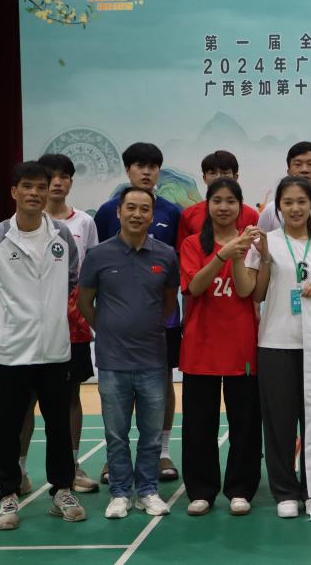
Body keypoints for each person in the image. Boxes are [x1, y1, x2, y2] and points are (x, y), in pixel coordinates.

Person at [0, 161, 86, 530]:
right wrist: (2, 315)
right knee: (8, 427)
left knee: (58, 427)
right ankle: (8, 494)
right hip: (12, 353)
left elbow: (71, 282)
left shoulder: (61, 236)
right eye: (27, 187)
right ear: (14, 192)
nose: (35, 193)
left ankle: (62, 491)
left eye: (41, 187)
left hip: (55, 351)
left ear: (48, 192)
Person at [78, 187, 180, 519]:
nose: (137, 214)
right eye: (131, 208)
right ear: (119, 212)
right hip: (112, 361)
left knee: (151, 435)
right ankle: (120, 493)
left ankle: (147, 490)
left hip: (153, 359)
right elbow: (85, 302)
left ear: (152, 215)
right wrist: (109, 328)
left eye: (144, 209)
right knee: (116, 434)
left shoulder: (166, 255)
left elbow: (168, 303)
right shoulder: (98, 255)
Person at [235, 176, 311, 519]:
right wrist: (265, 261)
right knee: (279, 424)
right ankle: (285, 491)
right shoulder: (267, 242)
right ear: (278, 208)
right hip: (275, 342)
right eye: (287, 202)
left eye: (301, 202)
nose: (295, 208)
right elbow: (256, 294)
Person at [93, 142, 182, 483]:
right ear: (127, 170)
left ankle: (161, 452)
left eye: (152, 166)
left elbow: (174, 270)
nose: (146, 171)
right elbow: (99, 262)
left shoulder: (172, 212)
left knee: (161, 383)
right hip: (118, 323)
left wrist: (163, 315)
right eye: (139, 166)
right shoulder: (107, 212)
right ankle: (113, 459)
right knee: (118, 389)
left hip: (160, 319)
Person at [178, 178, 262, 517]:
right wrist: (221, 255)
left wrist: (238, 253)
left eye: (230, 201)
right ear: (207, 205)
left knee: (245, 422)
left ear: (240, 206)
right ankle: (201, 490)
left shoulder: (251, 244)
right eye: (217, 200)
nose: (224, 207)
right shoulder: (191, 244)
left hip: (241, 343)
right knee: (199, 423)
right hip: (201, 345)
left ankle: (240, 489)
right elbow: (195, 287)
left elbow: (246, 292)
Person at [40, 154, 100, 493]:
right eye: (51, 176)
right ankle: (18, 470)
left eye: (64, 176)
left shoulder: (85, 223)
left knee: (71, 395)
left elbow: (91, 271)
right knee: (26, 399)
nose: (57, 182)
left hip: (73, 321)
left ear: (71, 182)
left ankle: (72, 465)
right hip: (32, 324)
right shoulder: (23, 223)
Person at [177, 151, 260, 248]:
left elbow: (257, 251)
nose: (218, 178)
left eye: (225, 173)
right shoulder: (188, 215)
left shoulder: (252, 215)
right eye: (212, 173)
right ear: (204, 178)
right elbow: (182, 252)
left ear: (235, 177)